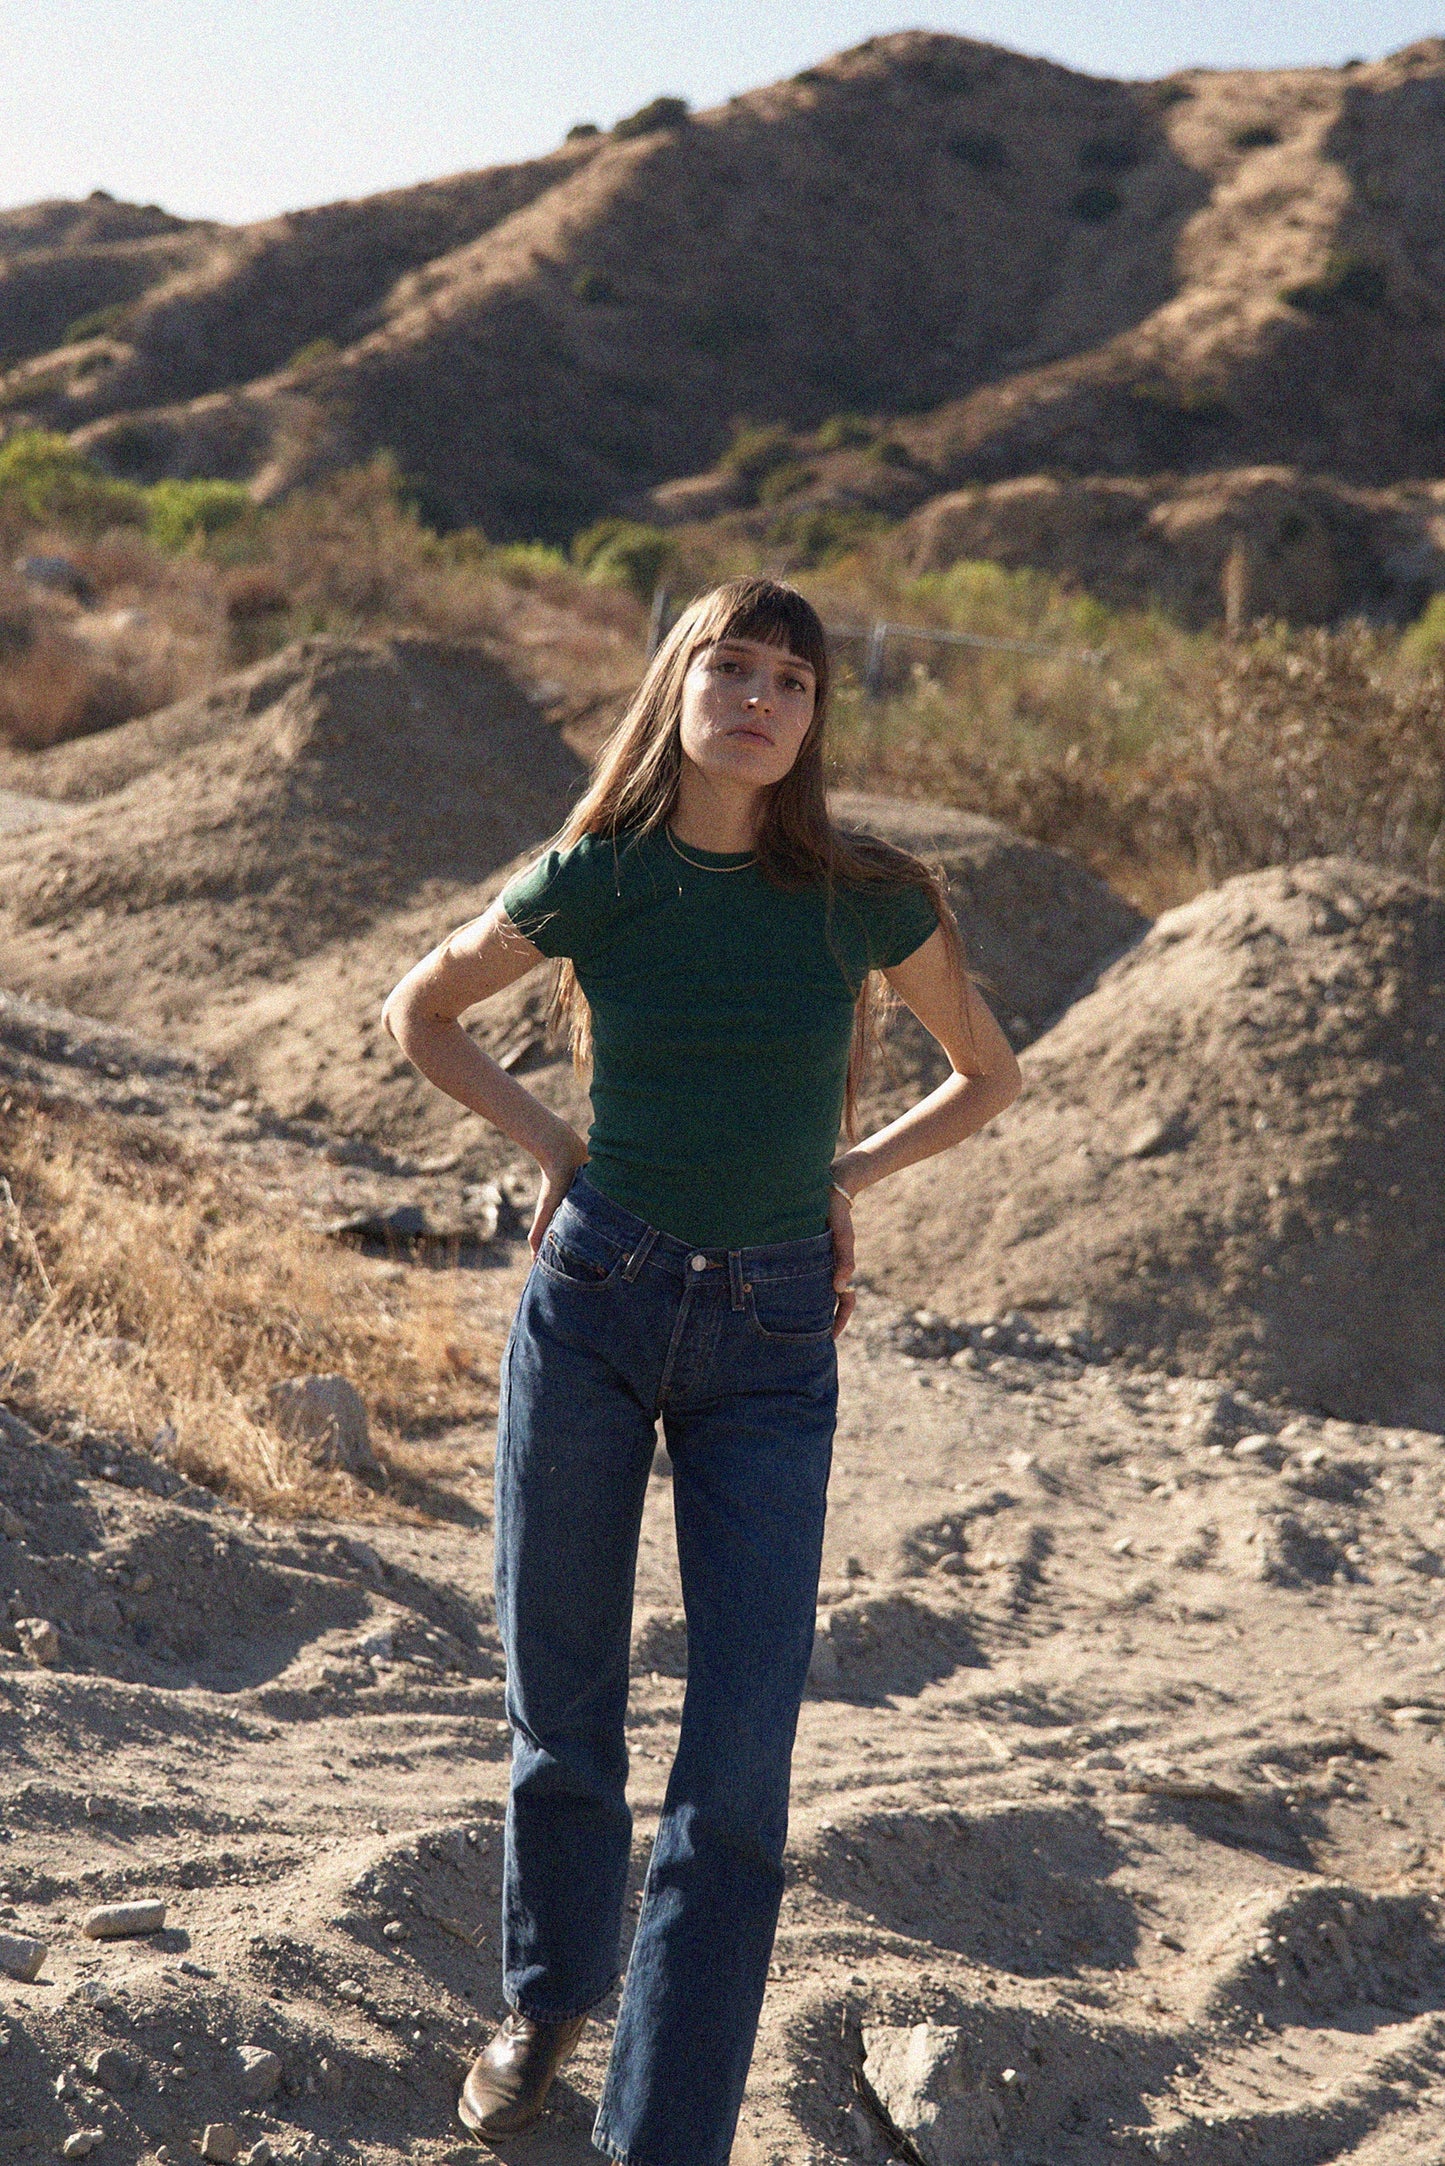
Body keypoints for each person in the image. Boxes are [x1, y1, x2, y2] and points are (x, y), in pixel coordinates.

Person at [381, 576, 1021, 2166]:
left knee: (736, 1767)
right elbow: (423, 1011)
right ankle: (544, 1998)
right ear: (677, 686)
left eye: (791, 680)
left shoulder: (865, 896)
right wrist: (558, 1149)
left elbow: (986, 1074)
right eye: (730, 666)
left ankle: (659, 2136)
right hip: (593, 1297)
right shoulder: (597, 876)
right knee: (563, 1695)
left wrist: (841, 1180)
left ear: (812, 719)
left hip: (776, 1335)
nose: (760, 697)